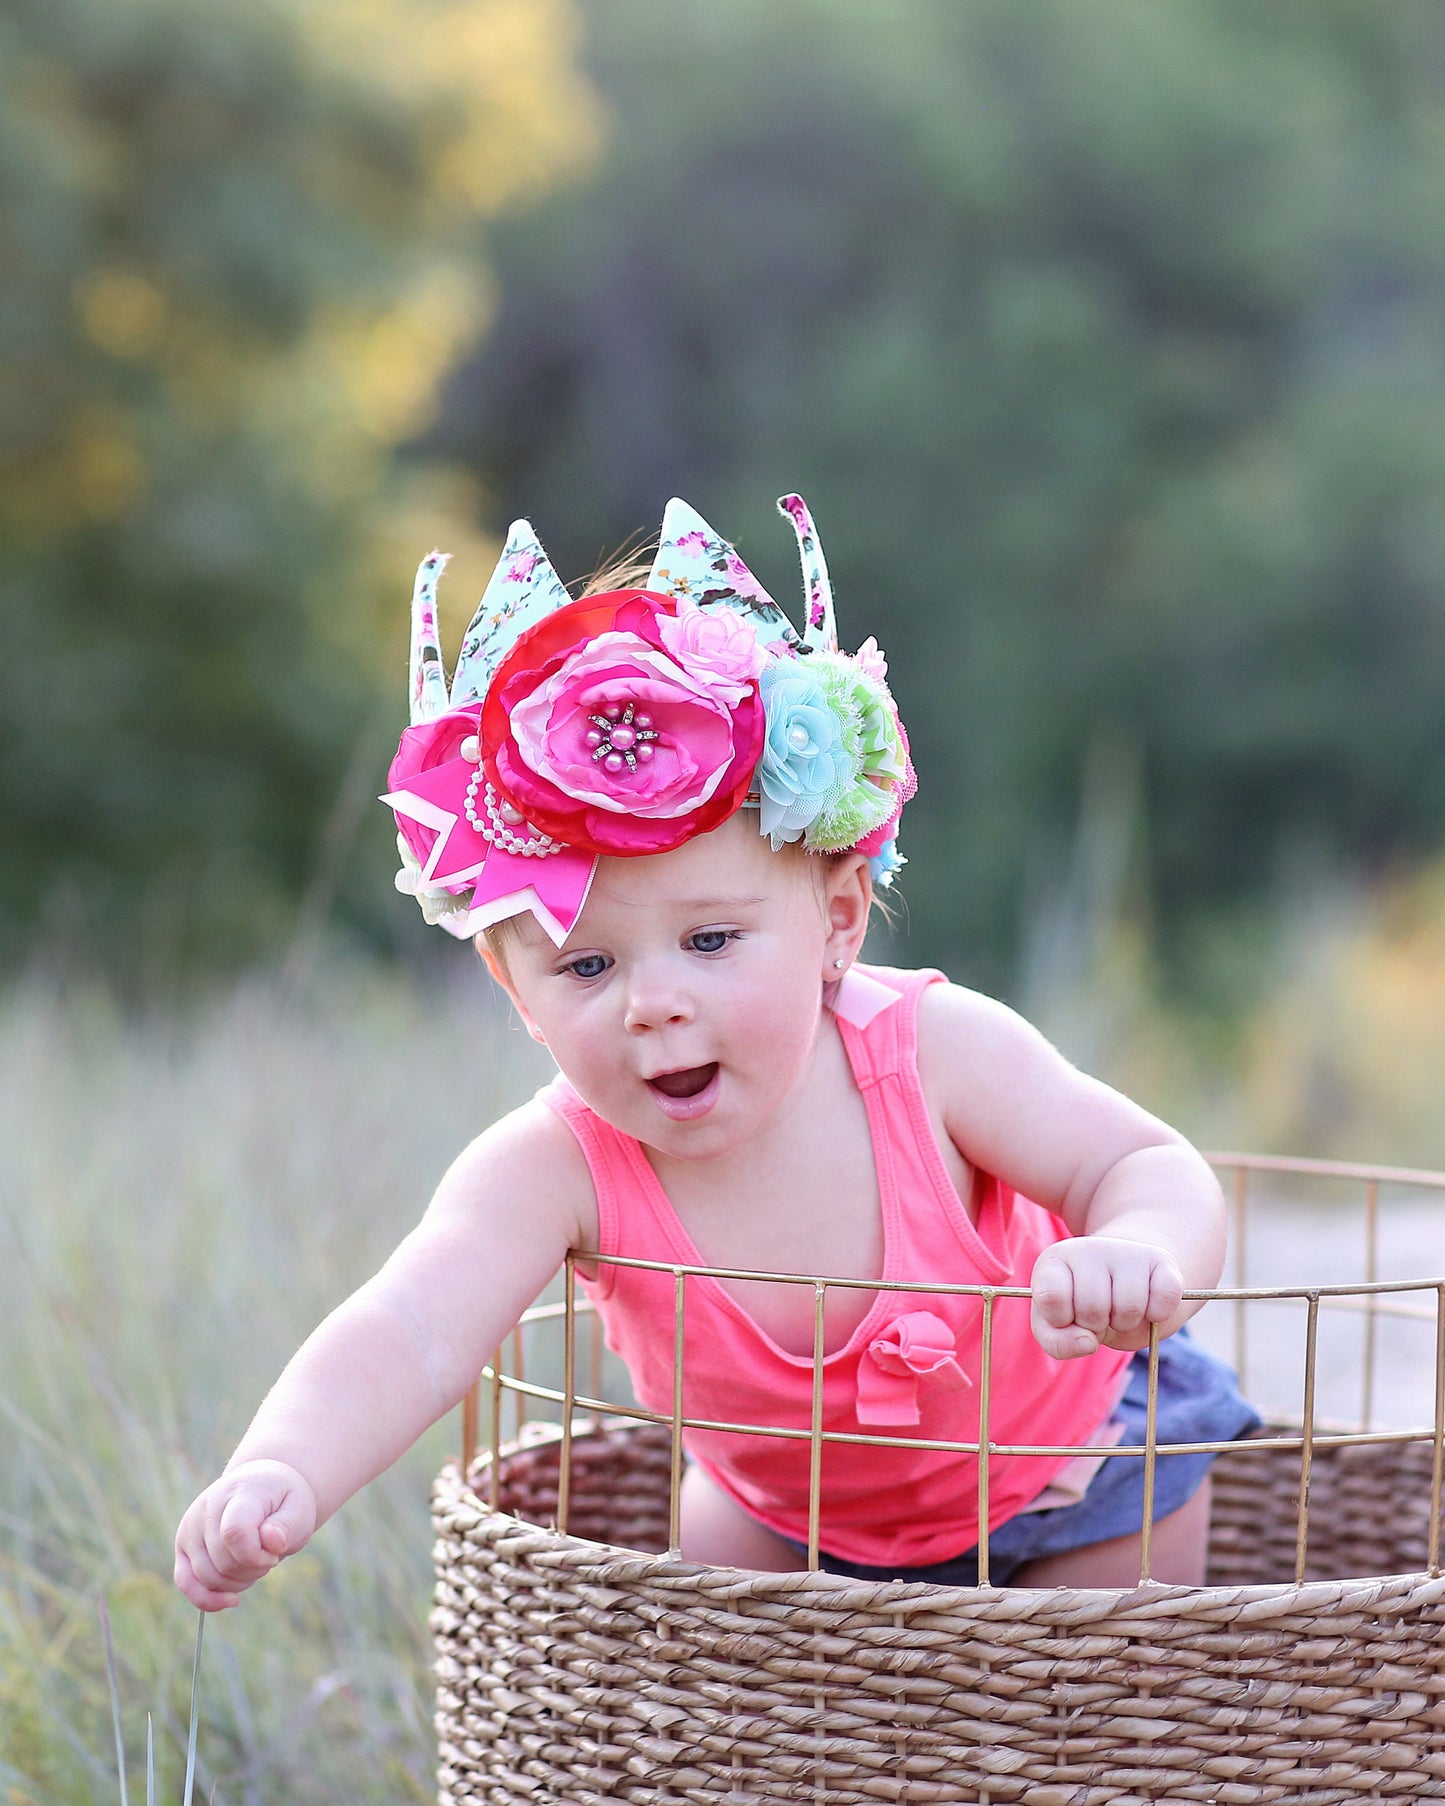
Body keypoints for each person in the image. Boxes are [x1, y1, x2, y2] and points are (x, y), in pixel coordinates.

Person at [174, 495, 1257, 1611]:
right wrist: (282, 1466)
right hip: (779, 1517)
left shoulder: (932, 1054)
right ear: (514, 990)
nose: (653, 1004)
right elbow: (407, 1328)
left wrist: (1139, 1249)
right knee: (732, 1667)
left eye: (708, 941)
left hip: (1071, 1471)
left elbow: (1139, 1164)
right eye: (584, 967)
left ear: (835, 922)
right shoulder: (554, 1167)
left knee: (1090, 1715)